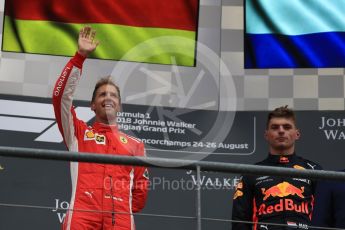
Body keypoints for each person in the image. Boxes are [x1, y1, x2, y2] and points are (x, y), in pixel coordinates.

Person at [52, 26, 149, 230]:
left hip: (120, 219)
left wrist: (122, 206)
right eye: (102, 95)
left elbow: (140, 193)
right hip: (82, 215)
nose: (108, 98)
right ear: (93, 105)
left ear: (120, 105)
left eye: (113, 95)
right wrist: (79, 57)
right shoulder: (78, 133)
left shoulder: (136, 145)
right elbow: (60, 97)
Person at [231, 106, 322, 230]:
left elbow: (324, 216)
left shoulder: (313, 170)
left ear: (297, 134)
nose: (281, 131)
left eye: (287, 127)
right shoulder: (250, 173)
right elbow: (239, 220)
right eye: (275, 127)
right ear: (266, 135)